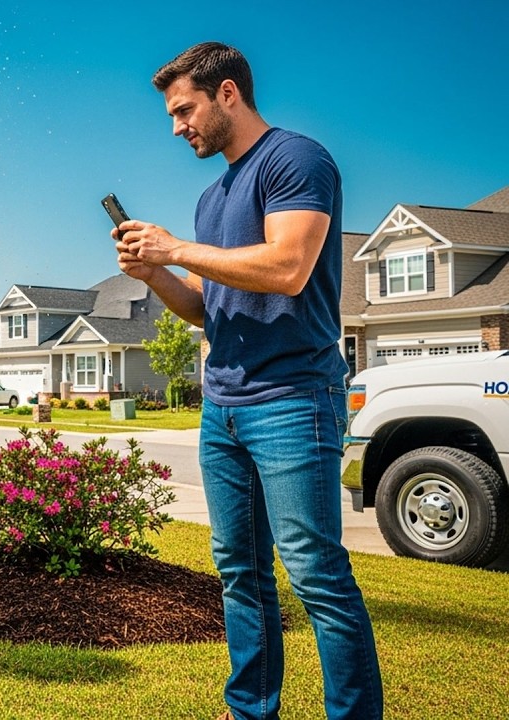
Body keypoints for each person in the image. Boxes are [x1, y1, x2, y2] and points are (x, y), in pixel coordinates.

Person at [112, 42, 382, 720]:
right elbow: (207, 305)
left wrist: (174, 247)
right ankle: (250, 713)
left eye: (184, 110)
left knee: (317, 575)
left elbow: (289, 267)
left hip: (294, 398)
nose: (177, 128)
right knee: (241, 577)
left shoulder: (296, 159)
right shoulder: (213, 196)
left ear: (227, 92)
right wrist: (157, 274)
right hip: (223, 408)